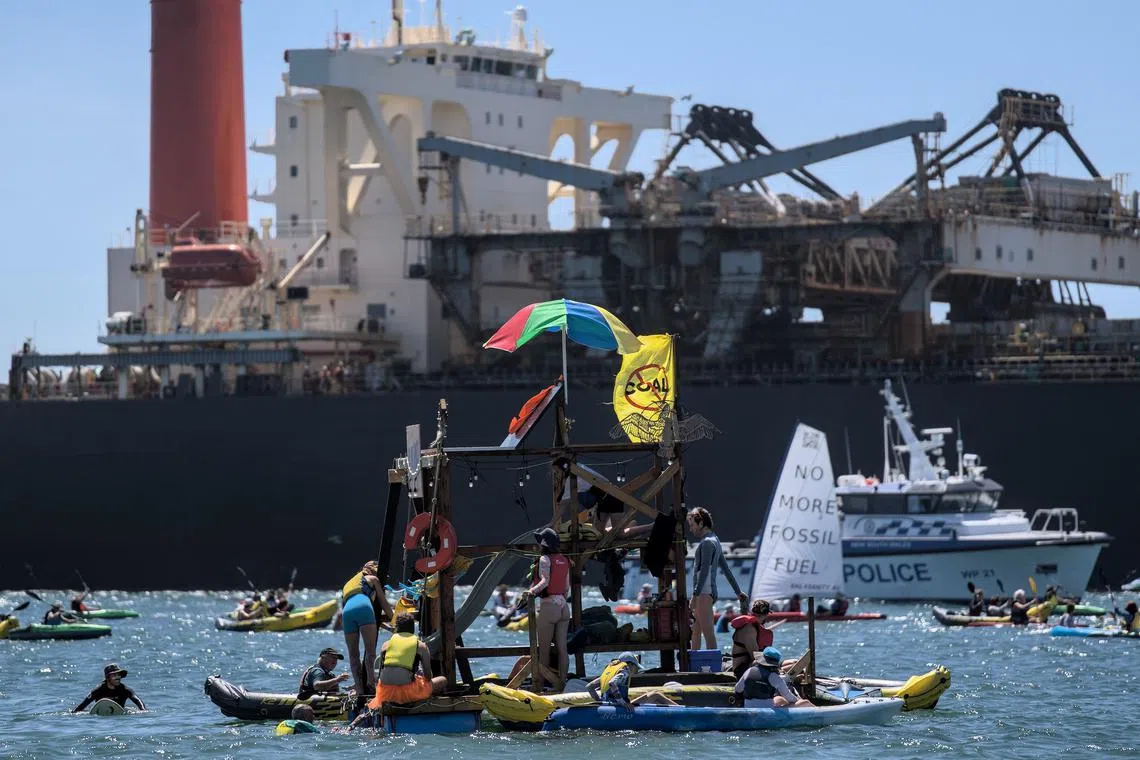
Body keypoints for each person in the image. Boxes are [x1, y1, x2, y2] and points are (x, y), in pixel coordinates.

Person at [518, 526, 572, 691]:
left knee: (544, 650)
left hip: (550, 607)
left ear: (543, 544)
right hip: (564, 607)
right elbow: (567, 588)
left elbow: (545, 581)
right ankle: (561, 684)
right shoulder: (565, 559)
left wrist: (531, 592)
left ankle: (541, 687)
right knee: (563, 649)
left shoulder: (544, 559)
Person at [687, 507, 748, 650]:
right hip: (706, 592)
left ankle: (713, 667)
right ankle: (693, 666)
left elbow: (704, 572)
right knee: (695, 633)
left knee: (708, 634)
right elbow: (726, 569)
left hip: (703, 592)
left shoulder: (707, 543)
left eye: (692, 525)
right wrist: (738, 592)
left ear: (701, 523)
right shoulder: (715, 540)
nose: (691, 529)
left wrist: (695, 595)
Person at [367, 612, 446, 711]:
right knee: (442, 680)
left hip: (384, 693)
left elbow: (379, 675)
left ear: (396, 629)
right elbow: (428, 677)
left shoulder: (386, 645)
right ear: (412, 628)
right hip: (407, 693)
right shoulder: (420, 645)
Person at [341, 560, 394, 697]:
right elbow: (384, 605)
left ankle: (359, 689)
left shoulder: (348, 584)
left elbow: (368, 620)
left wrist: (386, 627)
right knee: (370, 652)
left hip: (346, 613)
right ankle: (371, 683)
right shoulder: (372, 578)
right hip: (364, 608)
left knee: (353, 656)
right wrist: (396, 620)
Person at [586, 652, 677, 710]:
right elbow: (612, 683)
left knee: (653, 697)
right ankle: (683, 709)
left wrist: (600, 703)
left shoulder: (609, 672)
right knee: (655, 694)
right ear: (630, 664)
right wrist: (623, 704)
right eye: (636, 667)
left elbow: (589, 687)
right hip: (617, 707)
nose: (636, 670)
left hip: (607, 706)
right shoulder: (624, 672)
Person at [734, 647, 811, 708]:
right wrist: (798, 701)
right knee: (805, 703)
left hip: (748, 707)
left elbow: (738, 689)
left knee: (779, 699)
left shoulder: (749, 671)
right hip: (767, 710)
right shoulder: (774, 677)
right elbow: (789, 697)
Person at [729, 599, 775, 679]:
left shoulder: (754, 626)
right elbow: (755, 656)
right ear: (766, 614)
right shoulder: (749, 630)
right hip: (740, 670)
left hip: (751, 664)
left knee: (793, 662)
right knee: (762, 663)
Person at [73, 664, 147, 712]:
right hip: (100, 719)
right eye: (114, 675)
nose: (117, 677)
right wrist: (73, 714)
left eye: (119, 675)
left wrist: (143, 710)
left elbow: (137, 700)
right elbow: (82, 705)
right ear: (108, 678)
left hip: (119, 717)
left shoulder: (125, 690)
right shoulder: (98, 690)